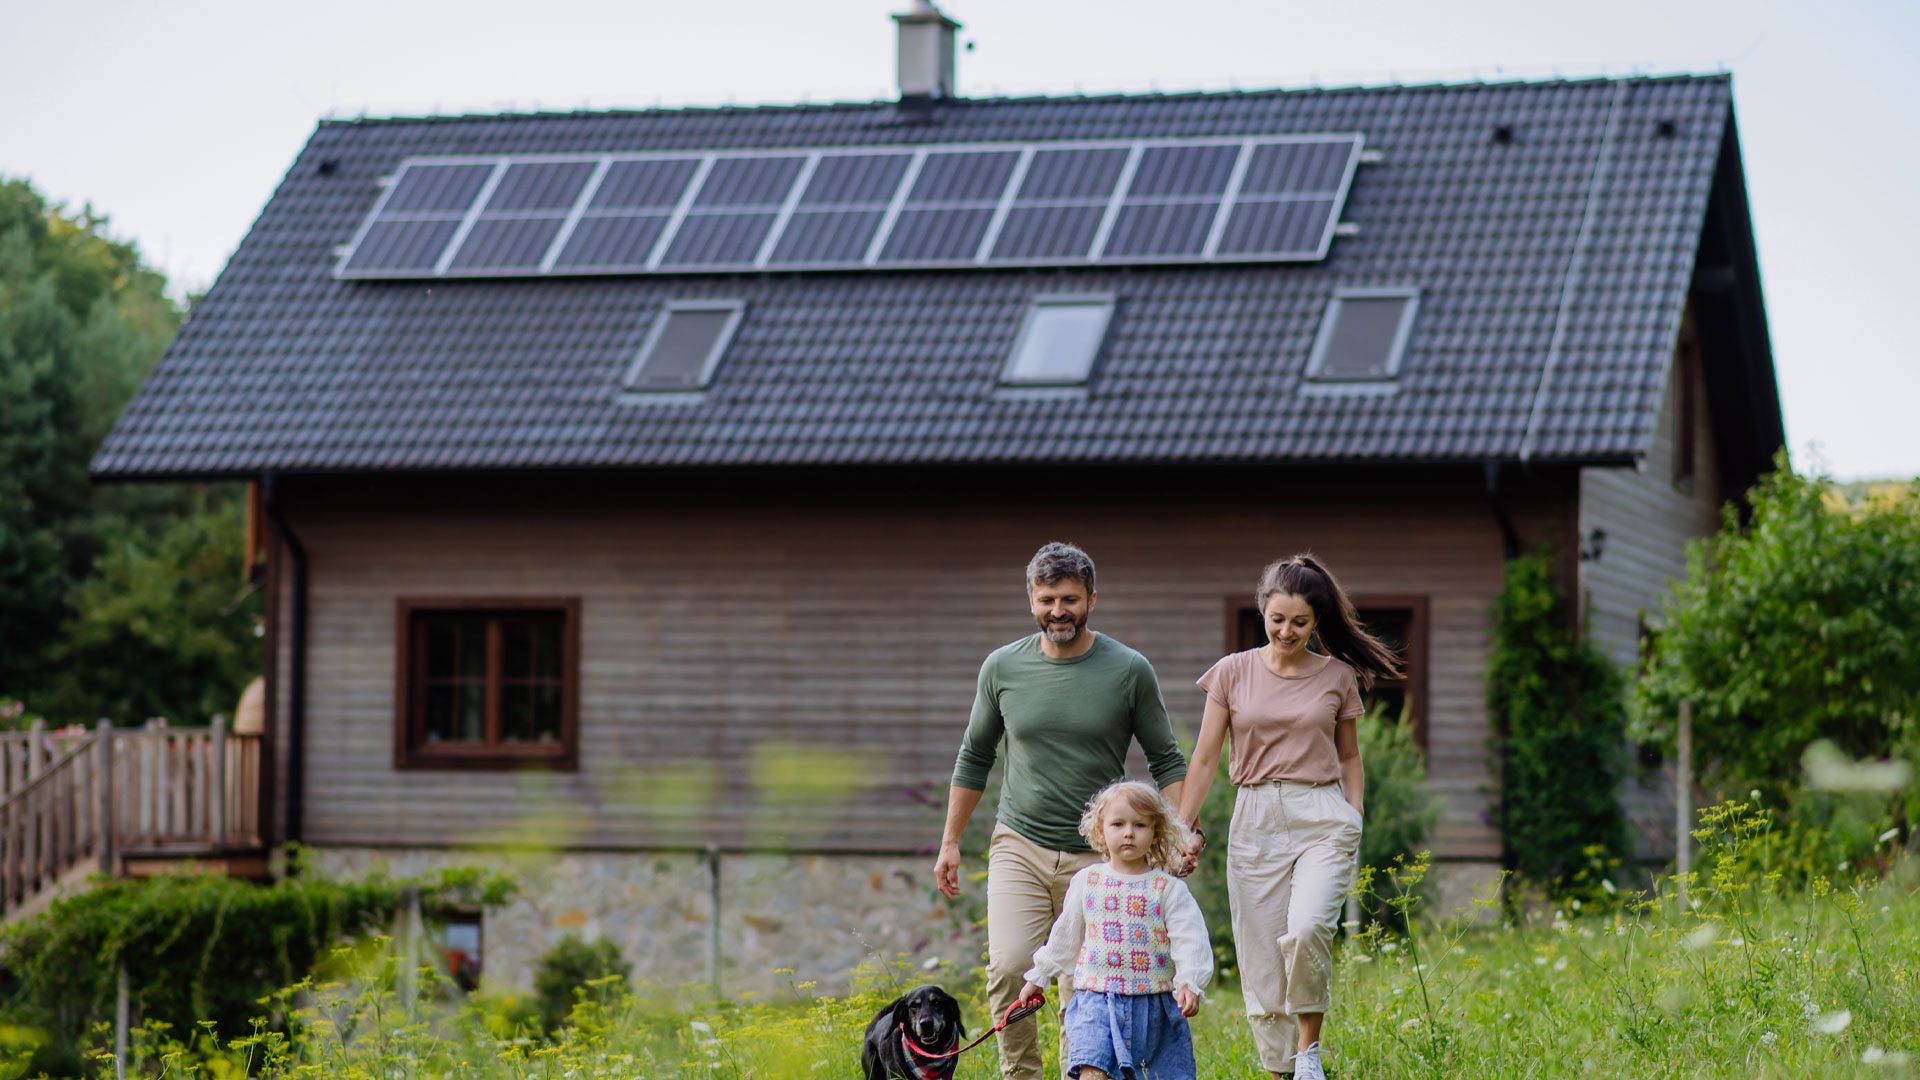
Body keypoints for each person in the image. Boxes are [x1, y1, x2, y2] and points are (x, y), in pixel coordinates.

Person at [936, 542, 1190, 1080]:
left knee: (1085, 982)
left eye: (1070, 599)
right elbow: (974, 755)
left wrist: (1182, 832)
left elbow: (1167, 759)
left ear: (1091, 599)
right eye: (1047, 599)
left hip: (1101, 859)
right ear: (1031, 599)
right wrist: (951, 841)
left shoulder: (1128, 670)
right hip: (1019, 844)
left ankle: (1083, 1072)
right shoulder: (1002, 667)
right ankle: (1021, 1074)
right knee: (1009, 967)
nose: (1058, 611)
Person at [1174, 555, 1400, 1080]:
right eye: (1278, 619)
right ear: (1263, 611)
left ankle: (1307, 1052)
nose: (1287, 630)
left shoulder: (1338, 676)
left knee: (1307, 929)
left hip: (1321, 813)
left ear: (1317, 621)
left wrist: (1354, 813)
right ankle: (1280, 1070)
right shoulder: (1232, 672)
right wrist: (1183, 824)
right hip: (1254, 816)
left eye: (1300, 622)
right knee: (1259, 955)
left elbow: (1348, 755)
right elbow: (1205, 757)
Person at [1019, 780, 1212, 1080]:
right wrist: (1040, 975)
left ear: (1156, 832)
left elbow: (1190, 939)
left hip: (1152, 1005)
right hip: (1095, 1001)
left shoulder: (1167, 889)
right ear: (1100, 830)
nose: (1128, 833)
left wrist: (1189, 982)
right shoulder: (1087, 881)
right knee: (1092, 1071)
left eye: (1140, 825)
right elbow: (1064, 935)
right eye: (1118, 824)